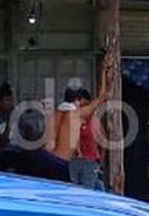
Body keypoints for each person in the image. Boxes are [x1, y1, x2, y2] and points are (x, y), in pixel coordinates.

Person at [49, 54, 115, 191]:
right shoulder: (76, 114)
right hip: (74, 162)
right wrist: (104, 71)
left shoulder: (54, 115)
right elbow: (103, 96)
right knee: (85, 196)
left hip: (55, 162)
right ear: (78, 101)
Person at [0, 82, 15, 148]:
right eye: (7, 100)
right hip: (0, 154)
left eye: (11, 100)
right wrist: (8, 126)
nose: (11, 103)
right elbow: (0, 143)